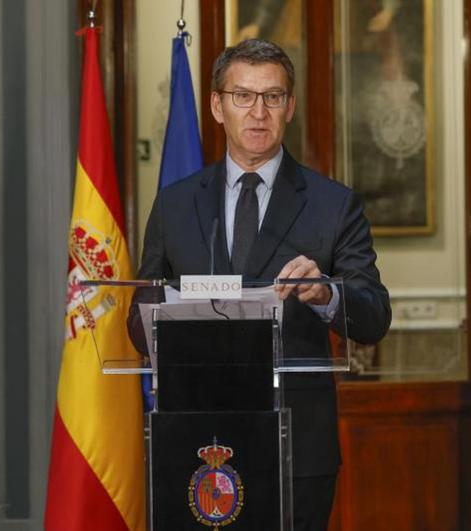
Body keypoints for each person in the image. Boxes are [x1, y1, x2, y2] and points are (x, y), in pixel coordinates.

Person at [130, 39, 391, 531]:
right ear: (216, 105)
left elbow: (375, 315)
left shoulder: (332, 204)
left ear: (289, 107)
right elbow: (141, 311)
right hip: (195, 438)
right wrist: (160, 316)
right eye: (243, 96)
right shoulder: (175, 203)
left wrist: (326, 294)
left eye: (272, 97)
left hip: (296, 445)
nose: (257, 112)